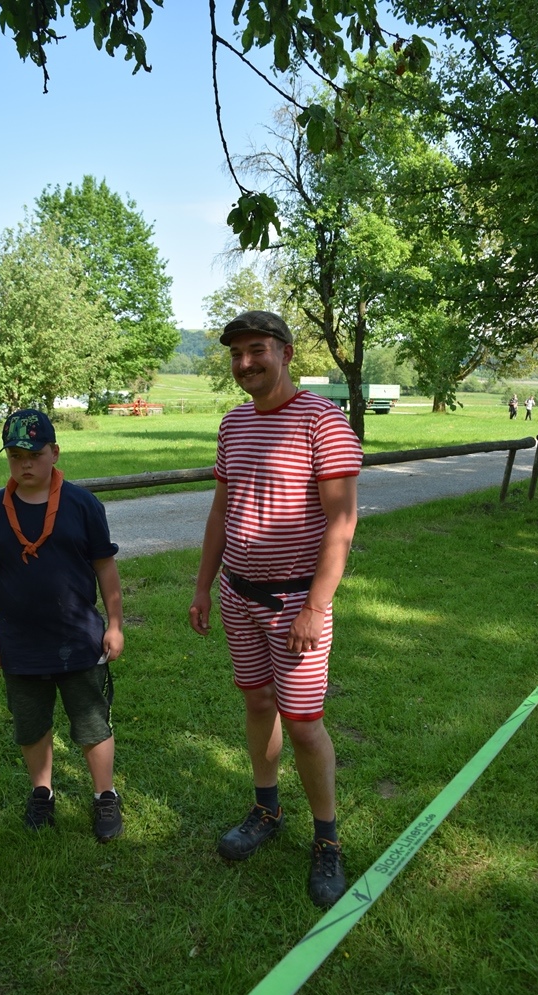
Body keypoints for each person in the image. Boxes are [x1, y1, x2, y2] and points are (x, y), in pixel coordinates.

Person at [189, 311, 362, 908]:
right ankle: (267, 810)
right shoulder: (233, 423)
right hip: (238, 594)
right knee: (258, 702)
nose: (245, 363)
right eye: (236, 354)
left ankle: (327, 840)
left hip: (296, 603)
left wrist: (316, 606)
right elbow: (221, 510)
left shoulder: (323, 421)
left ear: (285, 352)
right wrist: (203, 586)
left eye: (256, 350)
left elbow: (341, 523)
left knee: (305, 723)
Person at [0, 409, 124, 840]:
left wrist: (115, 624)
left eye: (34, 454)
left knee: (92, 723)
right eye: (15, 456)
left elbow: (106, 568)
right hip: (20, 643)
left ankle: (105, 796)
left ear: (54, 452)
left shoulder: (83, 505)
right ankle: (42, 793)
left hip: (79, 639)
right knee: (31, 724)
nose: (25, 464)